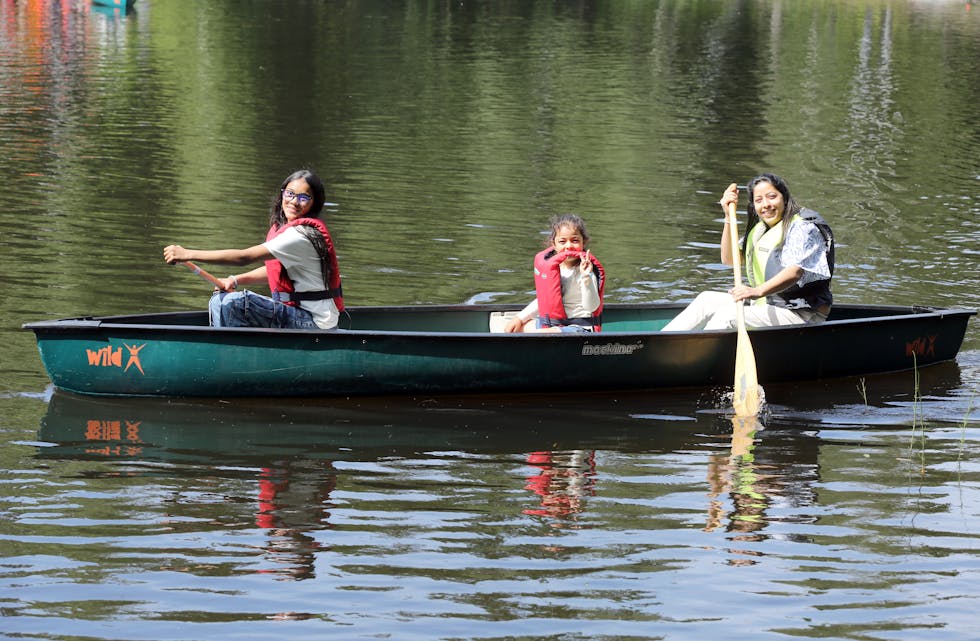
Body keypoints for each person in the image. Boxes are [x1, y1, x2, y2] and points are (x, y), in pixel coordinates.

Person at [163, 169, 344, 330]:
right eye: (290, 194)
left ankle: (230, 353)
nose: (294, 201)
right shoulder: (290, 230)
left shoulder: (299, 235)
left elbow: (243, 257)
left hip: (313, 323)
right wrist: (235, 280)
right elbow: (275, 270)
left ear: (314, 204)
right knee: (221, 301)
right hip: (305, 317)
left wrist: (187, 254)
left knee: (234, 303)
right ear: (282, 194)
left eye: (303, 198)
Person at [662, 173, 834, 331]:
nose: (766, 204)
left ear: (785, 197)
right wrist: (728, 217)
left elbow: (795, 271)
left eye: (772, 197)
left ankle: (698, 353)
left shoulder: (803, 226)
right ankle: (659, 342)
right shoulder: (762, 229)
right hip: (767, 305)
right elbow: (730, 259)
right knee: (706, 300)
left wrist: (756, 291)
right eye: (758, 200)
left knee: (728, 315)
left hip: (801, 313)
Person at [504, 214, 605, 333]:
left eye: (575, 240)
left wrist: (586, 277)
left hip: (580, 328)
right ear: (554, 245)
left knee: (538, 334)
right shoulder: (555, 269)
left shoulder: (587, 270)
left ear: (584, 242)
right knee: (515, 328)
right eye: (562, 241)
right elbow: (544, 300)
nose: (569, 246)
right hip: (556, 325)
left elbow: (592, 306)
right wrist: (519, 318)